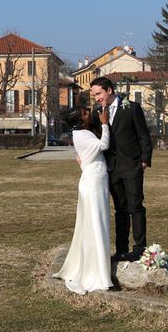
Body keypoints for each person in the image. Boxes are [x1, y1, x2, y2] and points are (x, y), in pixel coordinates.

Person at [90, 77, 152, 262]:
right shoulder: (96, 112)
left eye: (98, 94)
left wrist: (144, 161)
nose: (96, 98)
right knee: (120, 210)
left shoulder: (132, 108)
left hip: (132, 166)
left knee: (136, 207)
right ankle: (122, 250)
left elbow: (144, 136)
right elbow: (95, 139)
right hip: (111, 169)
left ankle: (140, 249)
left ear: (109, 90)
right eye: (94, 95)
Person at [53, 105, 113, 295]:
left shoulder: (82, 133)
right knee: (96, 222)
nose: (89, 113)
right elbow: (104, 145)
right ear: (80, 120)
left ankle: (99, 263)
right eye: (85, 113)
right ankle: (98, 272)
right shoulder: (83, 135)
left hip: (95, 178)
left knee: (96, 222)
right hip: (94, 181)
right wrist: (105, 125)